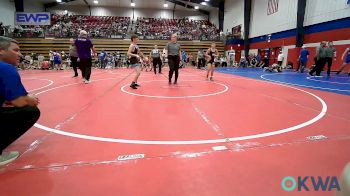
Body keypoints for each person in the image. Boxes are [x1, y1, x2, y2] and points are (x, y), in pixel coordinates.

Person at [0, 36, 40, 166]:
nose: (20, 54)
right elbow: (20, 102)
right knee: (30, 111)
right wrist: (29, 99)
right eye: (16, 50)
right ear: (1, 50)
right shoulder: (5, 68)